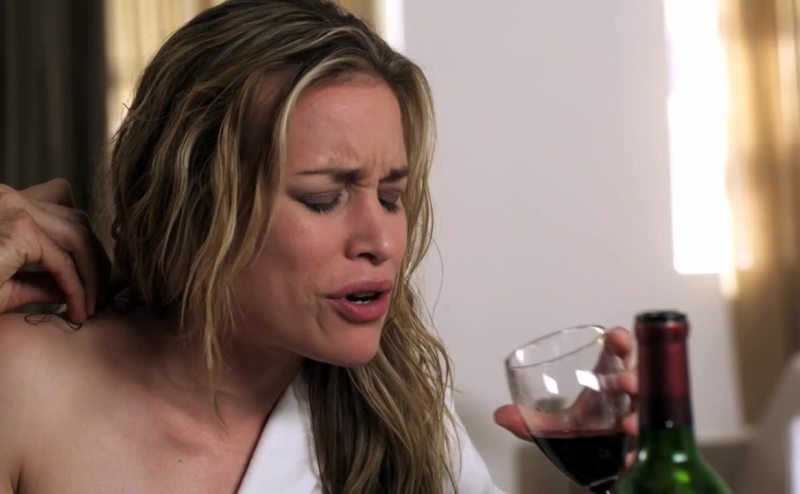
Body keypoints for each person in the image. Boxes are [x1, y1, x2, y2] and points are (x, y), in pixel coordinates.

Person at [0, 1, 637, 492]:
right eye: (324, 198)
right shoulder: (25, 386)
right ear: (192, 202)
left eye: (392, 195)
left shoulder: (404, 415)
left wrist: (613, 483)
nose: (381, 241)